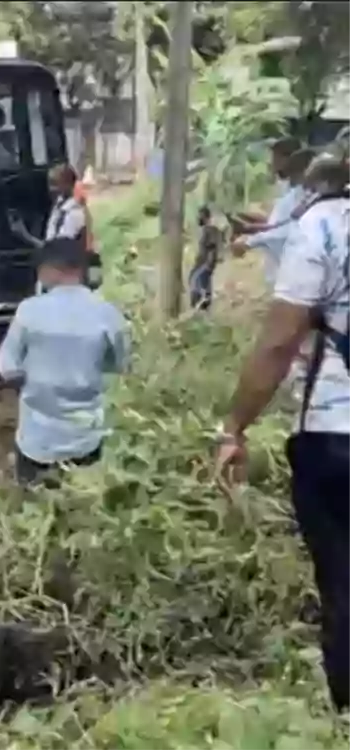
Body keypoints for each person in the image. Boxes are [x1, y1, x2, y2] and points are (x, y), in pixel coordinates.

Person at [216, 154, 350, 713]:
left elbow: (277, 344)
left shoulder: (326, 225)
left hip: (336, 438)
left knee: (344, 585)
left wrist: (234, 427)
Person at [0, 237, 130, 487]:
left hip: (38, 440)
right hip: (86, 438)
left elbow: (6, 366)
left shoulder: (28, 310)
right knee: (84, 507)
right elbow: (119, 365)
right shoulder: (108, 314)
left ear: (47, 270)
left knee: (35, 509)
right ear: (82, 269)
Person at [230, 139, 309, 288]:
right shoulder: (291, 193)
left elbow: (290, 231)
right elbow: (282, 223)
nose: (271, 162)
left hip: (293, 281)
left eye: (275, 157)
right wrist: (253, 224)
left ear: (289, 160)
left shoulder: (300, 194)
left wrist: (248, 242)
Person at [189, 205, 223, 311]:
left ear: (206, 217)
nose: (199, 218)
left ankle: (200, 308)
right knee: (200, 283)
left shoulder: (211, 230)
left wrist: (209, 264)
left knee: (196, 283)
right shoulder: (206, 230)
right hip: (202, 262)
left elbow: (213, 247)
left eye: (201, 216)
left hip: (206, 263)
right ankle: (201, 310)